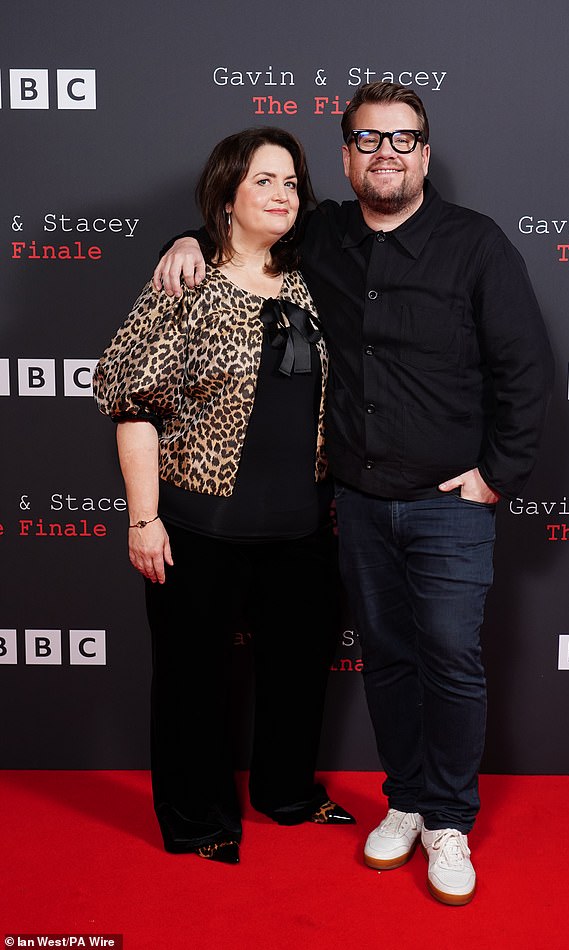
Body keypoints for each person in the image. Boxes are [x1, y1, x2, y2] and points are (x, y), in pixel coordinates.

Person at [153, 83, 554, 903]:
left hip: (450, 504)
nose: (386, 155)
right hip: (359, 505)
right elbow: (244, 231)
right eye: (368, 140)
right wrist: (184, 241)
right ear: (345, 156)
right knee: (390, 661)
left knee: (450, 657)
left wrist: (497, 476)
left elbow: (525, 370)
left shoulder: (477, 246)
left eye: (403, 140)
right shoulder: (323, 233)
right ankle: (404, 798)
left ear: (425, 153)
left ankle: (448, 819)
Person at [94, 127, 355, 866]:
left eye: (292, 183)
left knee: (298, 675)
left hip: (302, 526)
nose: (283, 195)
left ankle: (288, 794)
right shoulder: (185, 280)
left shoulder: (311, 277)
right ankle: (196, 818)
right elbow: (134, 404)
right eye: (264, 181)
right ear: (228, 194)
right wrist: (143, 519)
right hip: (199, 524)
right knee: (191, 684)